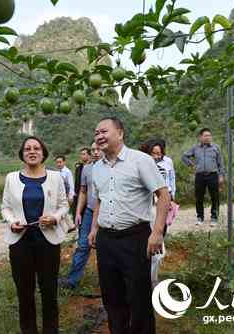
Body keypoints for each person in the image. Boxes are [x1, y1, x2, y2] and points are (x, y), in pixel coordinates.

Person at [88, 117, 170, 334]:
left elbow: (163, 195)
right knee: (111, 296)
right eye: (96, 133)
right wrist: (94, 228)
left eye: (104, 131)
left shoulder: (141, 160)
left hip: (135, 237)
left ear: (120, 133)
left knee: (138, 296)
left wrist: (157, 232)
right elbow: (100, 200)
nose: (99, 136)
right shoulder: (96, 167)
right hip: (106, 240)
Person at [2, 136, 70, 334]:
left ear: (43, 153)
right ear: (22, 154)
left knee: (49, 291)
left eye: (36, 148)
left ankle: (51, 330)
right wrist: (11, 221)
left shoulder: (56, 177)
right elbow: (5, 207)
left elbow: (64, 205)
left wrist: (55, 218)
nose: (32, 152)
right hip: (20, 242)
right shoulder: (11, 178)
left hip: (47, 241)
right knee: (24, 291)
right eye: (27, 149)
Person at [61, 142, 102, 289]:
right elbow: (83, 191)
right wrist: (78, 212)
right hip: (90, 212)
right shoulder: (87, 168)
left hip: (108, 214)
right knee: (83, 245)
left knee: (105, 247)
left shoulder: (112, 168)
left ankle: (110, 283)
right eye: (93, 150)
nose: (96, 152)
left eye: (98, 149)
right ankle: (72, 281)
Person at [181, 128, 225, 226]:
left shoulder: (216, 148)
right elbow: (184, 156)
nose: (208, 137)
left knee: (215, 197)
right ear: (200, 137)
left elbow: (220, 163)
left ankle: (214, 217)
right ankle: (200, 217)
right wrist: (192, 165)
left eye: (209, 135)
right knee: (199, 197)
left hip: (213, 175)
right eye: (205, 136)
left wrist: (221, 176)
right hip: (200, 175)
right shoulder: (195, 148)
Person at [72, 147, 91, 215]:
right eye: (81, 154)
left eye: (84, 154)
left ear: (89, 155)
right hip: (77, 196)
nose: (81, 156)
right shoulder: (79, 167)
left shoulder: (92, 168)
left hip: (87, 197)